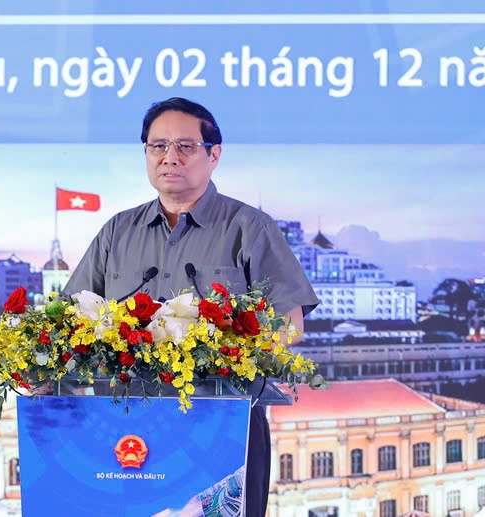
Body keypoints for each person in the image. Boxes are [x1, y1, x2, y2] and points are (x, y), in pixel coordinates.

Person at [64, 97, 319, 516]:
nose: (169, 157)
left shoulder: (249, 227)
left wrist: (230, 359)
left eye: (185, 146)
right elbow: (73, 320)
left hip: (222, 426)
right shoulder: (117, 231)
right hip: (125, 429)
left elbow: (288, 323)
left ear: (214, 154)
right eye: (157, 146)